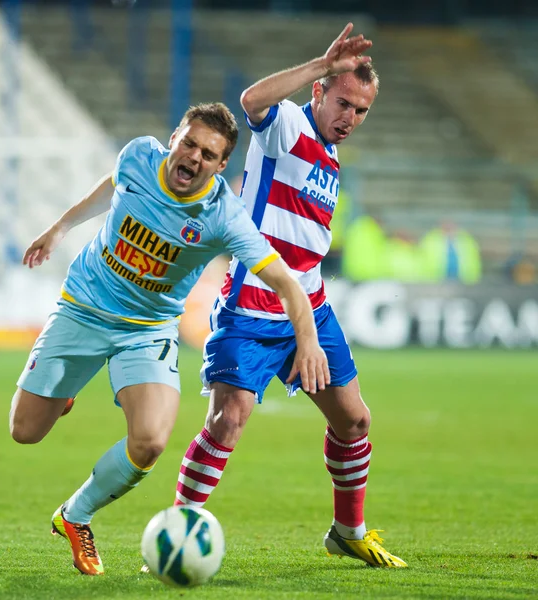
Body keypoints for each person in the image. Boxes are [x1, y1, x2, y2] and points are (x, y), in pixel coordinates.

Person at [9, 102, 330, 576]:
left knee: (150, 442)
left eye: (208, 154)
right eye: (190, 144)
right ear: (174, 139)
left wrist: (308, 340)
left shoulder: (224, 216)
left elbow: (286, 282)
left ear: (222, 166)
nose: (194, 157)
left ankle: (75, 516)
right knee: (25, 432)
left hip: (148, 330)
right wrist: (60, 228)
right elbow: (114, 186)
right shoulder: (139, 155)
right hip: (83, 309)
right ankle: (65, 392)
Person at [173, 24, 407, 568]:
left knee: (354, 422)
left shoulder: (330, 156)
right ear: (320, 93)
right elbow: (252, 100)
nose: (350, 118)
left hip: (312, 307)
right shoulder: (289, 127)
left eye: (362, 111)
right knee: (228, 420)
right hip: (253, 304)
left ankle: (349, 531)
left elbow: (307, 244)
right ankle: (178, 533)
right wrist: (322, 65)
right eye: (343, 102)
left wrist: (310, 329)